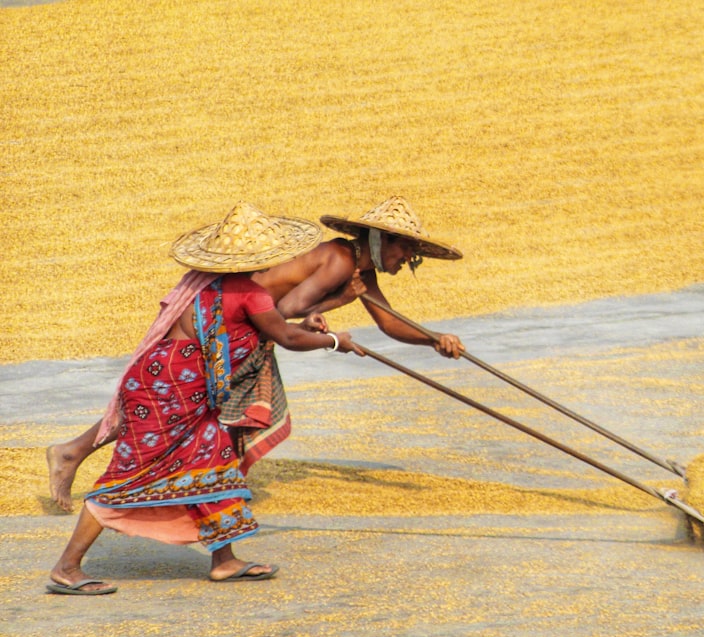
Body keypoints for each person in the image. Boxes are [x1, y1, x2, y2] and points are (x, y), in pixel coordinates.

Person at [47, 196, 466, 511]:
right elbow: (285, 313)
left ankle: (200, 489)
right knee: (175, 406)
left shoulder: (355, 267)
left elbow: (387, 321)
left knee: (180, 407)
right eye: (403, 251)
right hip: (229, 323)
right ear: (381, 241)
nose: (405, 260)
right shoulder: (341, 262)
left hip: (243, 327)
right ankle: (94, 458)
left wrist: (433, 339)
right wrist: (336, 310)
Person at [47, 203, 362, 595]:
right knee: (132, 474)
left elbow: (253, 328)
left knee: (217, 465)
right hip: (171, 390)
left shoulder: (204, 281)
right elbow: (288, 338)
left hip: (167, 380)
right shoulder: (250, 291)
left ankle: (224, 561)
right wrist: (335, 340)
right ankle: (67, 566)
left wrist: (306, 325)